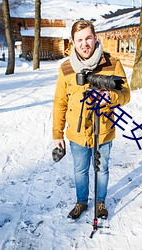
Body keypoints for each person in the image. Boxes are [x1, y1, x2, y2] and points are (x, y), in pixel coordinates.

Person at [52, 20, 130, 220]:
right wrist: (57, 134)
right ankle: (81, 202)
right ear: (73, 42)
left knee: (102, 168)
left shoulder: (112, 63)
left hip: (104, 130)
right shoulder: (66, 68)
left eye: (88, 38)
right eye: (79, 40)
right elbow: (60, 102)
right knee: (80, 170)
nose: (84, 43)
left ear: (95, 38)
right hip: (77, 133)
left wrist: (110, 97)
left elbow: (126, 94)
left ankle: (101, 202)